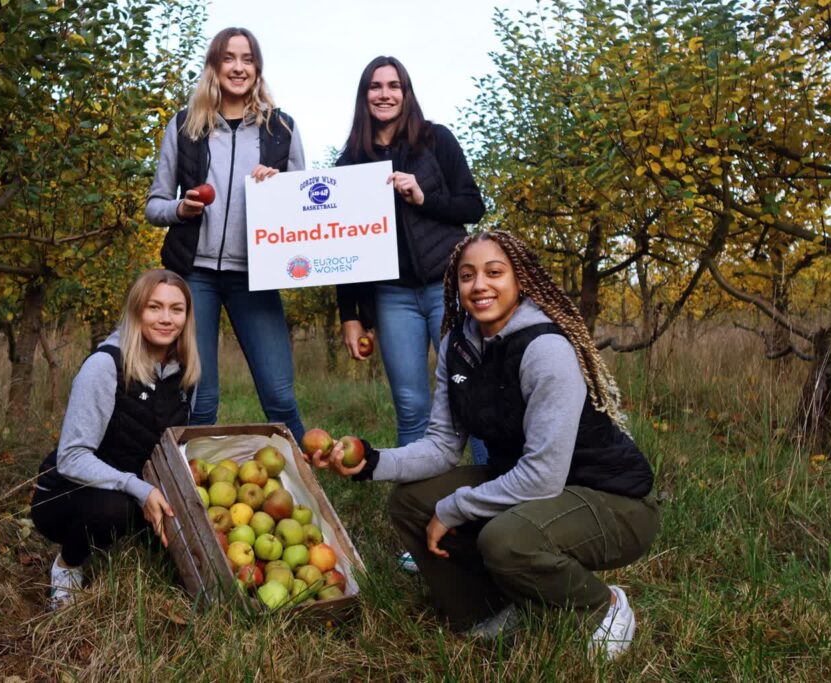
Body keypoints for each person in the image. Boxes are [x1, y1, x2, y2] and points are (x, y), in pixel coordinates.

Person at [307, 232, 659, 659]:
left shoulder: (545, 348)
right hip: (533, 486)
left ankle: (603, 605)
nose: (479, 286)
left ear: (520, 280)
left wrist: (454, 508)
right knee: (412, 502)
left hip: (610, 497)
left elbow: (543, 475)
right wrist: (369, 461)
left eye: (495, 273)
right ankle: (487, 609)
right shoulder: (459, 347)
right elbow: (441, 445)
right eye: (467, 275)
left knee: (505, 539)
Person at [145, 27, 305, 443]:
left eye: (247, 58)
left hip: (256, 274)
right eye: (229, 58)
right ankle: (188, 487)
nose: (239, 67)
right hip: (194, 274)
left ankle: (309, 480)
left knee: (279, 394)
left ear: (257, 68)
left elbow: (305, 210)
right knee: (201, 398)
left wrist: (281, 184)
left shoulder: (281, 129)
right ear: (214, 66)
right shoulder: (183, 127)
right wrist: (180, 209)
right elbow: (154, 205)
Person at [334, 56, 487, 460]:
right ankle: (420, 502)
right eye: (375, 86)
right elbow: (339, 247)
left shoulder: (436, 140)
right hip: (392, 296)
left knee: (473, 388)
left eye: (393, 85)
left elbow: (473, 206)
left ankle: (495, 488)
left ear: (406, 93)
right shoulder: (350, 161)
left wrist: (424, 198)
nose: (384, 94)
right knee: (410, 404)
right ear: (364, 95)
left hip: (448, 286)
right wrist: (350, 314)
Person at [31, 269, 200, 609]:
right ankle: (68, 565)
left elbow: (174, 446)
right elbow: (72, 457)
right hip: (68, 494)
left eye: (176, 309)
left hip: (136, 488)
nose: (166, 319)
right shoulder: (105, 365)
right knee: (115, 510)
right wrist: (139, 489)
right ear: (137, 310)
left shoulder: (187, 374)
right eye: (155, 307)